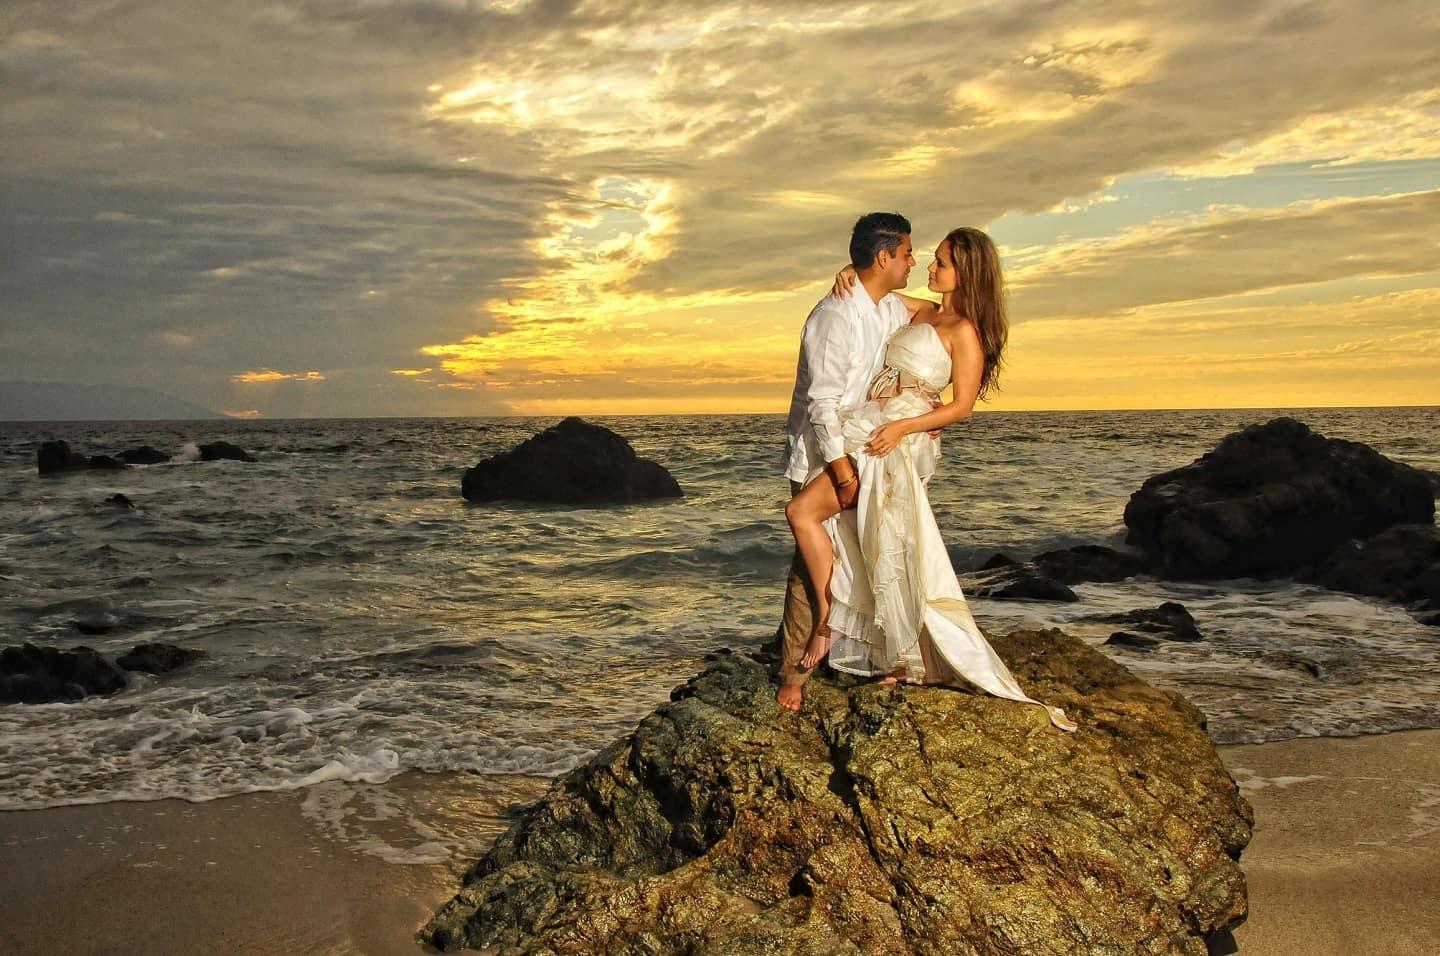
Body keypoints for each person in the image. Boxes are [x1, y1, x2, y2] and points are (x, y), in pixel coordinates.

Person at [786, 226, 1077, 732]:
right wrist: (850, 272)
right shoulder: (925, 310)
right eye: (925, 257)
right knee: (879, 540)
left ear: (966, 270)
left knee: (847, 526)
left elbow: (962, 406)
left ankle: (847, 634)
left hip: (895, 437)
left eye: (940, 261)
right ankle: (898, 656)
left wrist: (904, 425)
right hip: (874, 424)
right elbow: (878, 285)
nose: (928, 265)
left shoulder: (965, 330)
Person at [776, 212, 916, 712]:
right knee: (809, 564)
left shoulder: (890, 307)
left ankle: (870, 654)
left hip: (865, 445)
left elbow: (956, 309)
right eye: (906, 254)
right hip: (821, 450)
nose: (913, 262)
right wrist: (839, 470)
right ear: (884, 257)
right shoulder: (832, 316)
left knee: (872, 549)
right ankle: (795, 673)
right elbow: (821, 405)